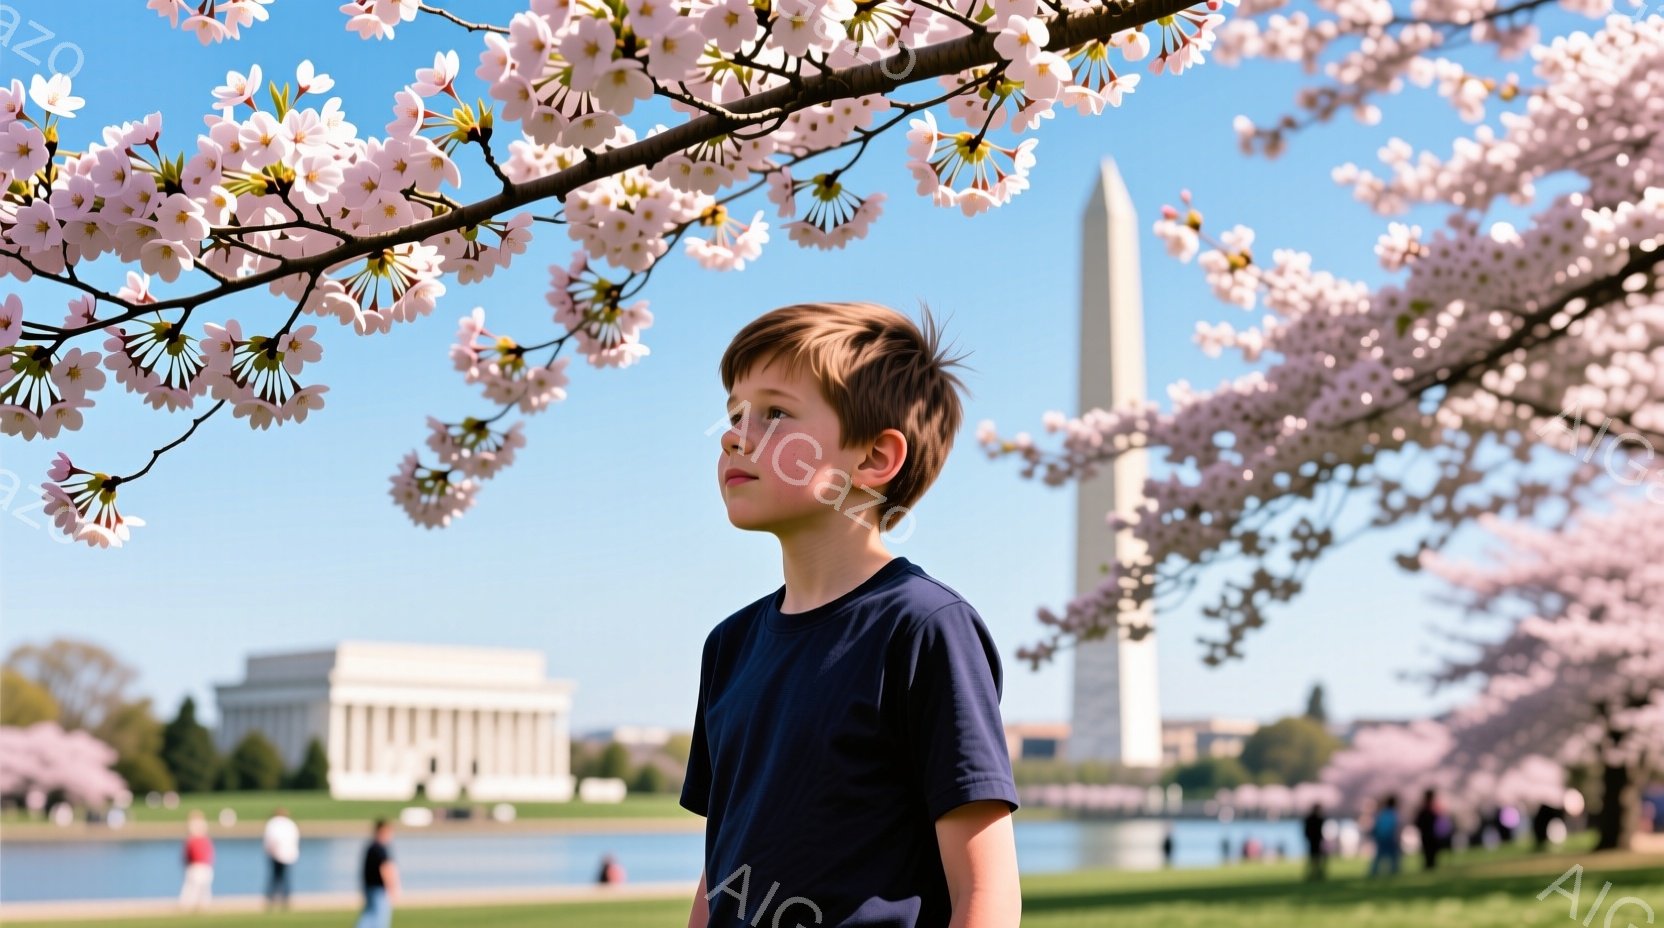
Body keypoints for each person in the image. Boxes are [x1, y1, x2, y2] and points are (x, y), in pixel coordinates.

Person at [682, 303, 1021, 928]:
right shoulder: (727, 645)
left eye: (775, 413)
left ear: (873, 460)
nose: (734, 433)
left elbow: (987, 894)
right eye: (734, 414)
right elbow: (723, 869)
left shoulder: (925, 629)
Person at [355, 819, 399, 928]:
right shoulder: (379, 849)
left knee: (369, 917)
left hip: (370, 888)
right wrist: (392, 888)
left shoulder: (371, 848)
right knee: (378, 920)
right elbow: (386, 868)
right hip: (378, 890)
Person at [262, 807, 300, 910]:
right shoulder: (290, 824)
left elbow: (269, 839)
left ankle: (272, 899)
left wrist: (269, 851)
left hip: (276, 854)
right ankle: (284, 900)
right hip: (287, 855)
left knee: (275, 877)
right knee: (284, 877)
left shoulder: (273, 823)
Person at [178, 809, 214, 911]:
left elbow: (186, 855)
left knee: (195, 890)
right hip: (199, 866)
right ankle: (192, 906)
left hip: (199, 866)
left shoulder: (194, 840)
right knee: (194, 890)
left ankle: (192, 906)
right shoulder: (197, 840)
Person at [1369, 796, 1402, 877]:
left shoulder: (1381, 813)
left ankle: (1374, 871)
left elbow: (1376, 826)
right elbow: (1395, 827)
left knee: (1379, 856)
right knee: (1394, 857)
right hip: (1390, 838)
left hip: (1381, 838)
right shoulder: (1393, 814)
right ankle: (1394, 871)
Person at [1414, 788, 1443, 871]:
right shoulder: (1431, 808)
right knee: (1431, 850)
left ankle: (1429, 865)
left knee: (1428, 850)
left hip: (1426, 833)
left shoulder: (1424, 807)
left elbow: (1417, 821)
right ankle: (1430, 865)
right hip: (1430, 832)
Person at [1303, 803, 1329, 881]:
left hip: (1315, 842)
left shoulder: (1312, 819)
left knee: (1315, 860)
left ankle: (1315, 874)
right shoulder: (1317, 819)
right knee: (1315, 860)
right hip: (1315, 842)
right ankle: (1315, 874)